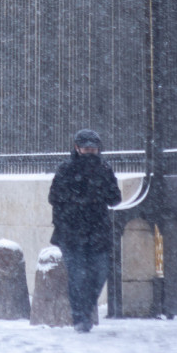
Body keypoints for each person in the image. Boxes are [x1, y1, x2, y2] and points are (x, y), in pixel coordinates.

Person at [48, 129, 123, 333]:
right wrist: (77, 201)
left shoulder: (104, 169)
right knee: (78, 275)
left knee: (99, 273)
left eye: (93, 148)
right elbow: (54, 197)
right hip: (71, 233)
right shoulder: (66, 169)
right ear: (77, 148)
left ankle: (87, 307)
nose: (90, 152)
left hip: (97, 231)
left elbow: (115, 197)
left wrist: (99, 191)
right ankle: (80, 318)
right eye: (86, 148)